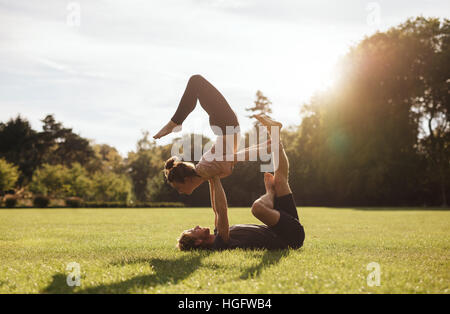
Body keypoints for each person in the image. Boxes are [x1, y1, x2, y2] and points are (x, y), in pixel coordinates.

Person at [176, 115, 305, 250]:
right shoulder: (220, 243)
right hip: (288, 239)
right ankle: (270, 192)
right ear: (197, 242)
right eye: (193, 231)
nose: (196, 226)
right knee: (257, 208)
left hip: (286, 226)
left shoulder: (217, 232)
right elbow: (222, 210)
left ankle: (275, 135)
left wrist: (210, 180)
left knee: (280, 181)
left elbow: (215, 210)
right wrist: (215, 178)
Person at [155, 74, 271, 195]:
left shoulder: (205, 169)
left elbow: (237, 157)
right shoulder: (207, 174)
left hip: (226, 124)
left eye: (178, 188)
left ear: (186, 180)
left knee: (196, 81)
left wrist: (265, 148)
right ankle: (175, 122)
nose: (180, 192)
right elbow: (235, 158)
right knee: (196, 82)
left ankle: (174, 123)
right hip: (227, 125)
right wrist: (263, 146)